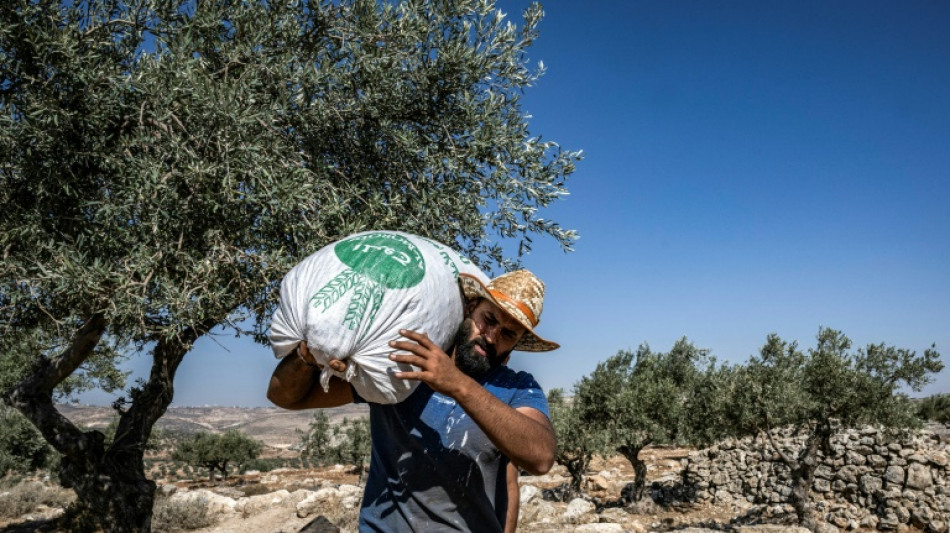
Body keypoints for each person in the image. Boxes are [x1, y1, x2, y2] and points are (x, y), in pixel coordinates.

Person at [267, 269, 559, 532]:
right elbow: (285, 397)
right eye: (489, 320)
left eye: (508, 334)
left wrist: (456, 383)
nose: (492, 336)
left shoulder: (518, 388)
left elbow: (539, 459)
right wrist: (308, 357)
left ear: (514, 347)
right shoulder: (402, 367)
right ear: (470, 309)